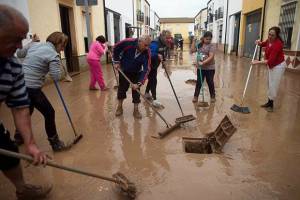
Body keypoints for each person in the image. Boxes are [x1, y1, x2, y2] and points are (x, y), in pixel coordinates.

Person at [0, 4, 51, 199]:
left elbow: (21, 107)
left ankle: (22, 189)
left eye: (23, 39)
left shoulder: (12, 66)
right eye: (16, 39)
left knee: (8, 153)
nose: (20, 46)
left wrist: (30, 144)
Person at [13, 32, 72, 152]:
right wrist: (58, 65)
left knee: (27, 111)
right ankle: (55, 144)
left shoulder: (34, 45)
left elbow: (19, 54)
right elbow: (56, 77)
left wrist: (31, 42)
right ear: (58, 43)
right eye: (63, 46)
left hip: (18, 84)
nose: (62, 49)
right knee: (49, 112)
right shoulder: (53, 55)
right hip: (31, 88)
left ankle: (18, 138)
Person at [113, 35, 152, 119]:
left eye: (148, 45)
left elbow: (146, 69)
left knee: (136, 91)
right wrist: (116, 61)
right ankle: (119, 107)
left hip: (136, 72)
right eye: (145, 45)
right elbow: (116, 48)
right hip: (124, 71)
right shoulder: (128, 42)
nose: (147, 48)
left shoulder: (147, 52)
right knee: (122, 89)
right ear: (139, 42)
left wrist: (139, 83)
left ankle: (136, 109)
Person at [252, 26, 286, 112]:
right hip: (272, 65)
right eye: (269, 34)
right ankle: (269, 102)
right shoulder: (269, 40)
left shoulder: (278, 45)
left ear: (277, 36)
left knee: (273, 85)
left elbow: (270, 61)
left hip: (278, 66)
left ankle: (271, 105)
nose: (270, 37)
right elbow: (263, 43)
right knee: (269, 83)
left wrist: (257, 62)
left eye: (272, 35)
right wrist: (258, 43)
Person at [191, 31, 216, 103]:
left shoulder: (211, 46)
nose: (208, 40)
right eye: (207, 39)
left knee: (210, 82)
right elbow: (192, 51)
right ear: (203, 38)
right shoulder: (199, 45)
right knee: (199, 82)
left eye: (209, 39)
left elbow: (211, 56)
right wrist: (193, 42)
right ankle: (195, 97)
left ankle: (213, 96)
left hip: (210, 68)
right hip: (201, 68)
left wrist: (203, 62)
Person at [144, 30, 168, 107]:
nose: (167, 39)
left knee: (151, 79)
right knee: (153, 80)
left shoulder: (164, 43)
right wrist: (157, 55)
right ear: (161, 35)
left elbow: (163, 53)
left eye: (168, 38)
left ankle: (147, 93)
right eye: (166, 37)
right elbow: (150, 53)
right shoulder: (155, 43)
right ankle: (154, 99)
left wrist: (163, 62)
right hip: (149, 64)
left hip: (155, 65)